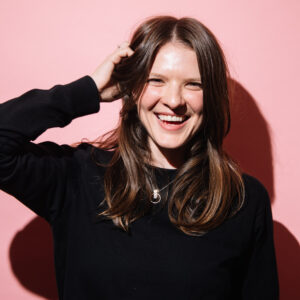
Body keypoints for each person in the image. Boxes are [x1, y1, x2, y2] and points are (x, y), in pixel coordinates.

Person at [0, 15, 279, 299]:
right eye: (155, 80)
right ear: (132, 89)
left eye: (193, 84)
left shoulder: (243, 200)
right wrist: (88, 90)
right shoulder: (78, 178)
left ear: (212, 95)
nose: (174, 100)